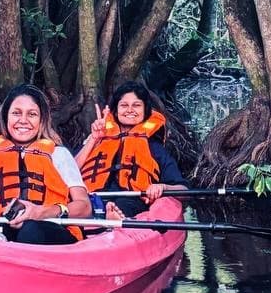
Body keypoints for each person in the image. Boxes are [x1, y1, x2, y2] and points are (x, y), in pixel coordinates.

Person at [0, 84, 91, 244]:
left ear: (42, 120)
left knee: (31, 230)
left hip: (47, 229)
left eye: (32, 114)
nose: (23, 120)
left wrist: (41, 212)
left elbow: (85, 208)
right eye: (16, 113)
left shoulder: (58, 154)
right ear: (6, 117)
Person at [74, 81, 188, 217]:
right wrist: (93, 139)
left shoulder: (154, 148)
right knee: (80, 206)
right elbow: (69, 172)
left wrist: (163, 187)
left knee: (123, 204)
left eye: (137, 105)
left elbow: (183, 190)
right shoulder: (96, 140)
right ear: (115, 111)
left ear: (145, 110)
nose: (130, 110)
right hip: (92, 199)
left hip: (131, 201)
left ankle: (113, 218)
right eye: (123, 105)